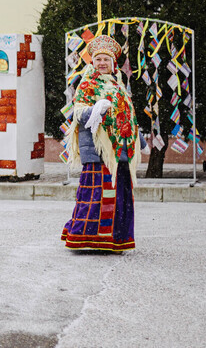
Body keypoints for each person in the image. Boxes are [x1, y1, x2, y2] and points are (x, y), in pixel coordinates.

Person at [61, 35, 141, 253]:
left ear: (113, 63)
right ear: (92, 62)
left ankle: (115, 238)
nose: (102, 63)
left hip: (120, 151)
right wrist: (96, 110)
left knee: (117, 196)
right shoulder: (87, 84)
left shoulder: (118, 86)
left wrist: (136, 137)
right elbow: (78, 113)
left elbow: (128, 115)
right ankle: (86, 237)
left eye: (106, 59)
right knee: (95, 196)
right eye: (98, 59)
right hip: (98, 151)